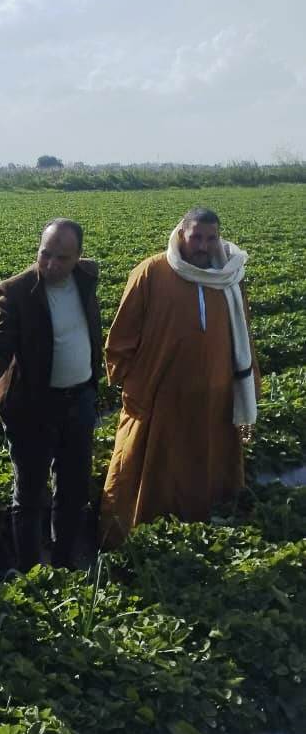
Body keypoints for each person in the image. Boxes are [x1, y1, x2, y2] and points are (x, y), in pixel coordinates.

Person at [99, 207, 259, 546]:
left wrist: (248, 384)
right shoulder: (152, 272)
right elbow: (120, 338)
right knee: (147, 469)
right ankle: (135, 540)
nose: (203, 246)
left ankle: (204, 533)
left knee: (207, 466)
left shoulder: (230, 276)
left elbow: (243, 335)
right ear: (181, 234)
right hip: (160, 397)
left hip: (214, 398)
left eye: (210, 238)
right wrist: (133, 385)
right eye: (196, 237)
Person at [0, 219, 102, 571]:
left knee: (73, 490)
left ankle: (64, 565)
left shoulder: (86, 277)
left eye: (62, 258)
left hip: (80, 401)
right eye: (45, 254)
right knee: (30, 494)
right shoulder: (15, 292)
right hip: (32, 407)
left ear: (78, 256)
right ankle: (30, 572)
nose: (51, 264)